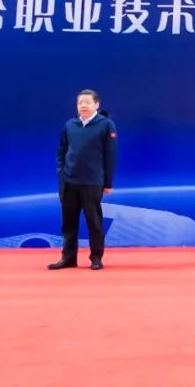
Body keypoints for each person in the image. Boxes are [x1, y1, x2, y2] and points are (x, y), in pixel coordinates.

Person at [48, 89, 117, 271]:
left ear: (96, 104)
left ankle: (96, 258)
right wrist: (61, 173)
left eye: (87, 102)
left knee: (94, 222)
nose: (83, 106)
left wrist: (108, 182)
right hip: (69, 182)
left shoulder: (106, 125)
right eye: (80, 103)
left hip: (92, 182)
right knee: (68, 223)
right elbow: (61, 151)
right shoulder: (70, 125)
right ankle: (68, 258)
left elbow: (110, 155)